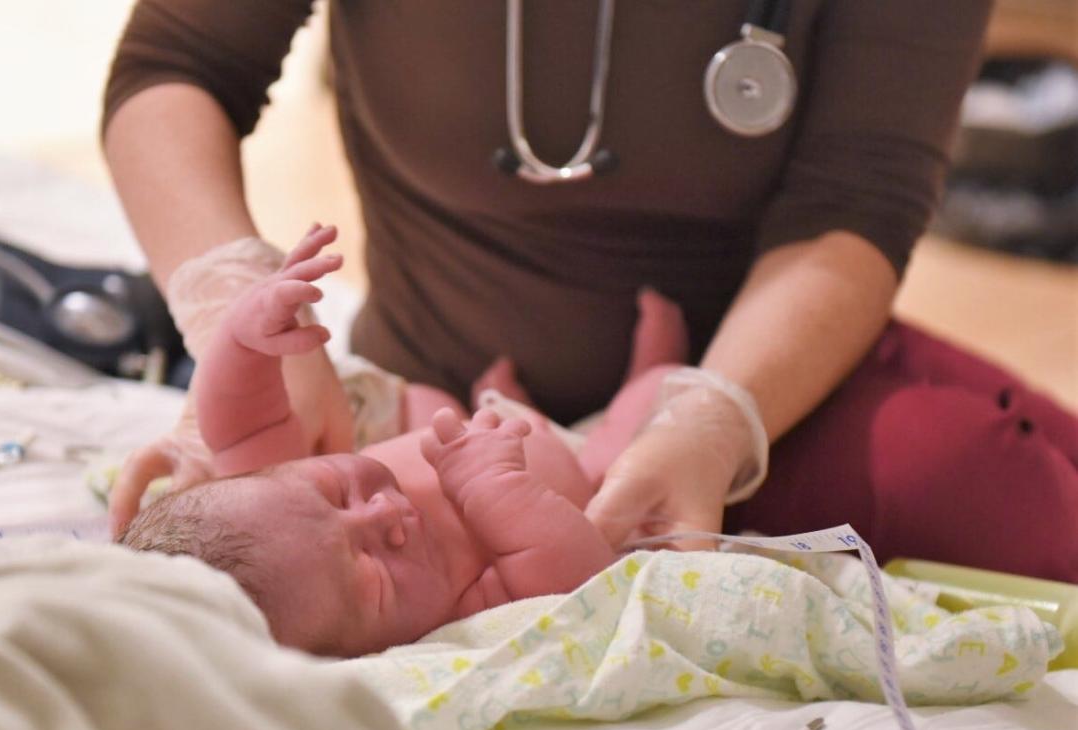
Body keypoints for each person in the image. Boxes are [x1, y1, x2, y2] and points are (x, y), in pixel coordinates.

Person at [102, 1, 1077, 583]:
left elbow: (859, 199)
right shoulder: (372, 478)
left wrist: (713, 422)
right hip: (428, 400)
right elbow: (176, 63)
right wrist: (229, 300)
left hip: (766, 387)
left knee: (996, 494)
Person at [119, 225, 710, 655]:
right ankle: (646, 368)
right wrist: (496, 491)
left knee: (421, 405)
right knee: (646, 420)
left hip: (458, 434)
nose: (379, 513)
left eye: (333, 489)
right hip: (581, 473)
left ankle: (502, 397)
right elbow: (577, 580)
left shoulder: (266, 503)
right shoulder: (448, 615)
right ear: (359, 654)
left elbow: (243, 421)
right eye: (373, 573)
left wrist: (245, 339)